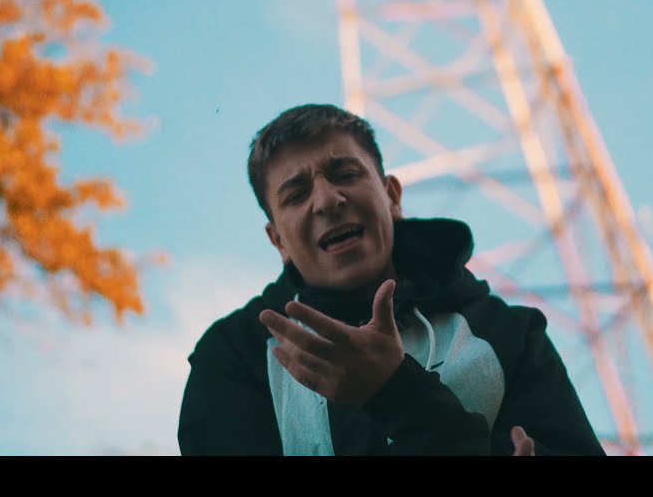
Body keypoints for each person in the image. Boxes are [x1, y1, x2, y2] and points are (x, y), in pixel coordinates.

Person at [177, 103, 605, 456]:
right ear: (278, 241)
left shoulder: (509, 333)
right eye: (296, 194)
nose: (327, 199)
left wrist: (395, 390)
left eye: (345, 174)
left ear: (392, 196)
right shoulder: (235, 354)